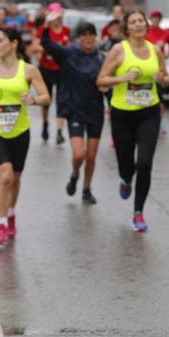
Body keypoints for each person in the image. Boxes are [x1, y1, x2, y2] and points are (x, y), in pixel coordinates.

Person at [0, 27, 50, 245]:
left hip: (19, 131)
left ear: (14, 43)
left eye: (0, 40)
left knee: (15, 178)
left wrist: (33, 100)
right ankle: (0, 223)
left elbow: (46, 97)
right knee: (4, 175)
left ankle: (12, 213)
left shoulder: (29, 71)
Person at [96, 10, 169, 232]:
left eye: (141, 21)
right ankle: (126, 178)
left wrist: (162, 79)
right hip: (122, 115)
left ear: (146, 26)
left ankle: (138, 212)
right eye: (133, 22)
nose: (138, 24)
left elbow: (166, 80)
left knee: (145, 163)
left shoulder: (155, 50)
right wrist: (123, 78)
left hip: (149, 113)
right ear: (126, 28)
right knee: (126, 163)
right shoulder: (119, 50)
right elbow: (101, 79)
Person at [41, 15, 104, 204]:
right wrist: (46, 25)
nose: (87, 38)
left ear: (95, 37)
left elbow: (110, 82)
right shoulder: (69, 54)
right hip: (75, 110)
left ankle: (86, 189)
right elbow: (46, 43)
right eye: (84, 35)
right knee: (79, 155)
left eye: (91, 35)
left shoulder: (101, 59)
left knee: (91, 157)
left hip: (95, 112)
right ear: (78, 38)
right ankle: (75, 174)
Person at [35, 2, 71, 145]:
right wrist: (47, 49)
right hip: (46, 69)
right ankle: (45, 124)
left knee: (61, 101)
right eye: (54, 14)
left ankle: (59, 132)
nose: (56, 18)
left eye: (59, 14)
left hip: (61, 70)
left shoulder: (67, 30)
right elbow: (35, 47)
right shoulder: (43, 31)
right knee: (46, 101)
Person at [146, 9, 169, 136]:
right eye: (154, 17)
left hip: (159, 68)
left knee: (160, 97)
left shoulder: (165, 33)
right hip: (146, 67)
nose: (156, 20)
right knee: (147, 95)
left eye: (158, 17)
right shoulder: (146, 32)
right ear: (150, 18)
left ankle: (160, 124)